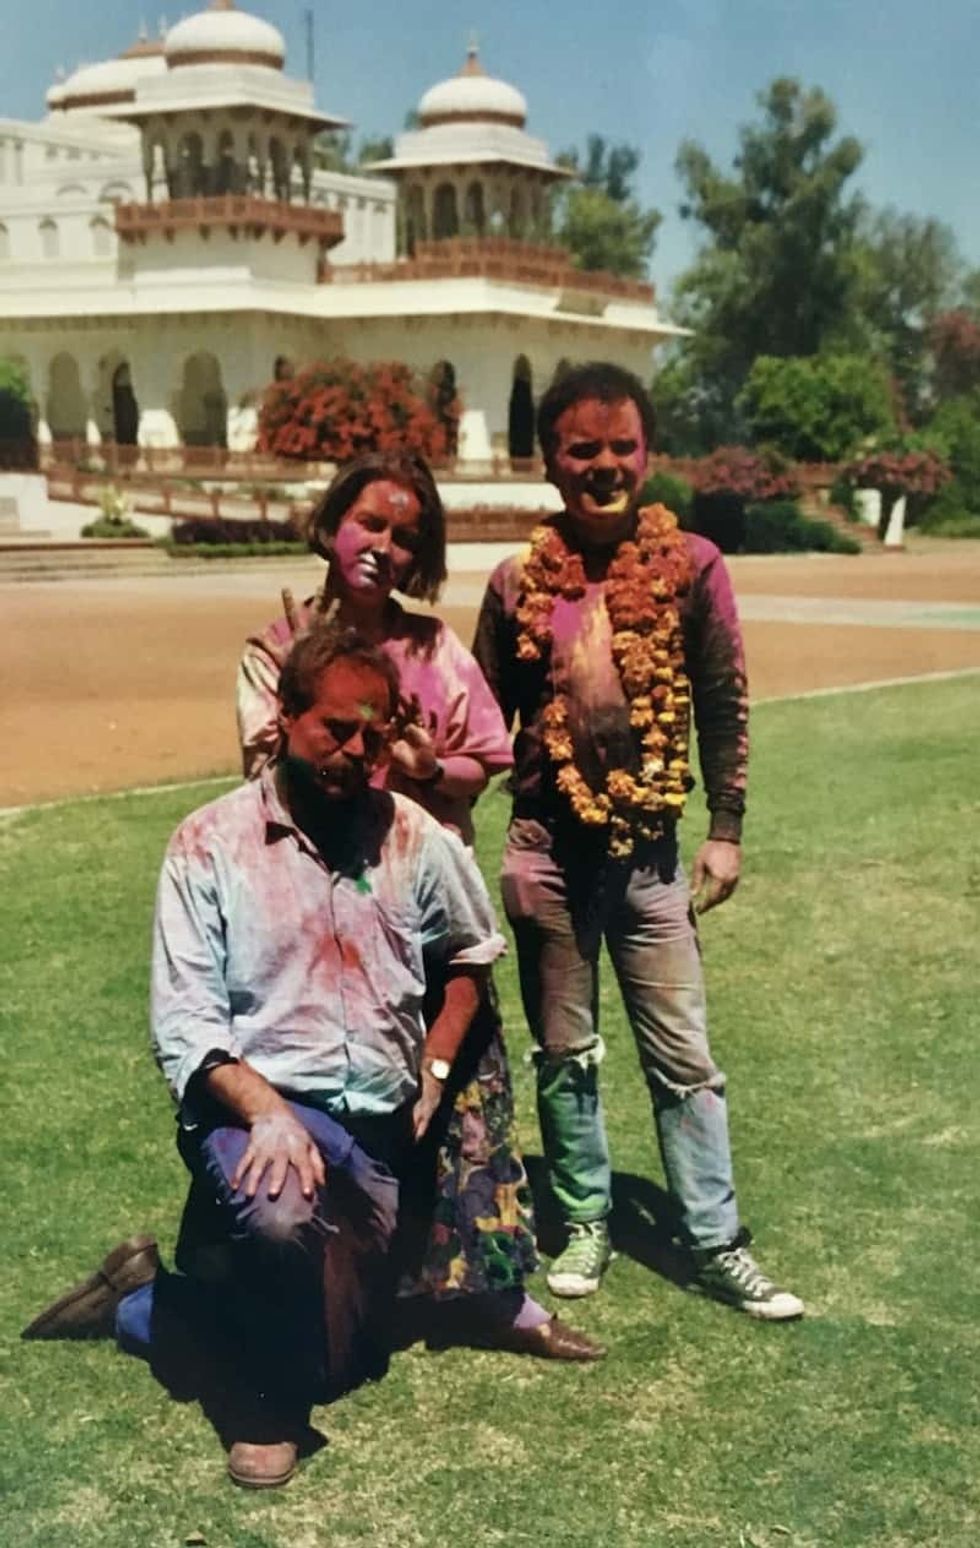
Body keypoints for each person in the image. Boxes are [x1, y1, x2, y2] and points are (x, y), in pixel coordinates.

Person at [22, 626, 596, 1491]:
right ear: (285, 718)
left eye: (374, 733)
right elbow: (185, 1026)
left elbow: (473, 955)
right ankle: (260, 1409)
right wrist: (267, 1112)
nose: (355, 750)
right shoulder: (209, 844)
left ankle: (143, 1301)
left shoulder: (410, 834)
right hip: (254, 1113)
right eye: (335, 727)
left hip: (375, 1132)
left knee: (347, 1358)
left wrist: (436, 1070)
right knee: (282, 1220)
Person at [235, 451, 600, 1354]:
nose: (384, 547)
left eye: (407, 537)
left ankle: (492, 1296)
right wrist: (370, 751)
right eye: (370, 524)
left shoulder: (435, 647)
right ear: (332, 525)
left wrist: (431, 766)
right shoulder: (273, 647)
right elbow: (259, 772)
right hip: (324, 920)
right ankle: (342, 1280)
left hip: (433, 908)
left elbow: (486, 764)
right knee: (345, 1092)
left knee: (464, 1093)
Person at [472, 361, 804, 1319]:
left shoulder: (692, 566)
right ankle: (585, 1222)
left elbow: (724, 701)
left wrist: (726, 830)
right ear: (550, 462)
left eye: (623, 447)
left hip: (651, 853)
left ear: (648, 454)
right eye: (583, 449)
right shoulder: (514, 582)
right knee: (565, 1051)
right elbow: (483, 719)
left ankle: (713, 1239)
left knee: (685, 1057)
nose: (605, 465)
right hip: (545, 850)